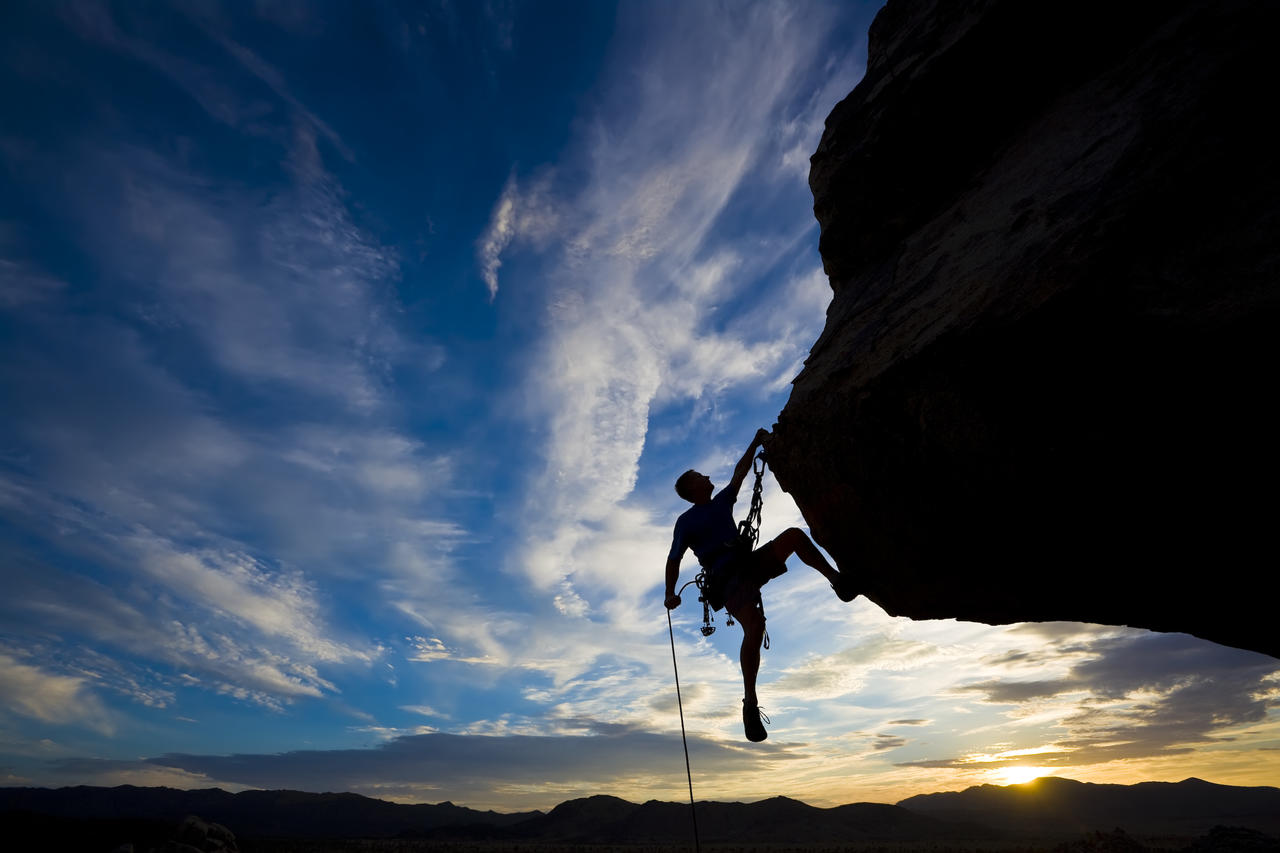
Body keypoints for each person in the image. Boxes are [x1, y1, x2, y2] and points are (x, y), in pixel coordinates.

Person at [664, 427, 857, 742]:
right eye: (701, 475)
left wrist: (755, 442)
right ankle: (750, 703)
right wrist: (669, 593)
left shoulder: (721, 501)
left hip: (747, 564)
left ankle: (838, 581)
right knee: (754, 626)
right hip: (727, 579)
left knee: (794, 536)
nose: (707, 476)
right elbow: (673, 559)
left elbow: (740, 473)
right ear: (693, 488)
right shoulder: (686, 522)